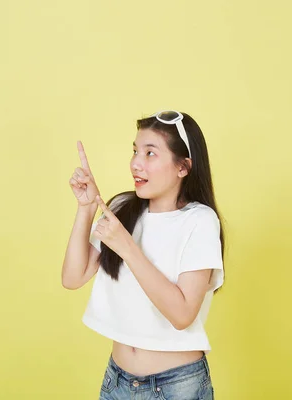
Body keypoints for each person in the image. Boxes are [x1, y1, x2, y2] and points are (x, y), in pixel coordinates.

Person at [61, 110, 225, 400]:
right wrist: (86, 209)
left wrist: (126, 246)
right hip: (117, 382)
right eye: (136, 151)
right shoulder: (124, 207)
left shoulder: (199, 221)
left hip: (177, 387)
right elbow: (73, 278)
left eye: (150, 153)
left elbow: (182, 314)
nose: (136, 163)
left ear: (183, 167)